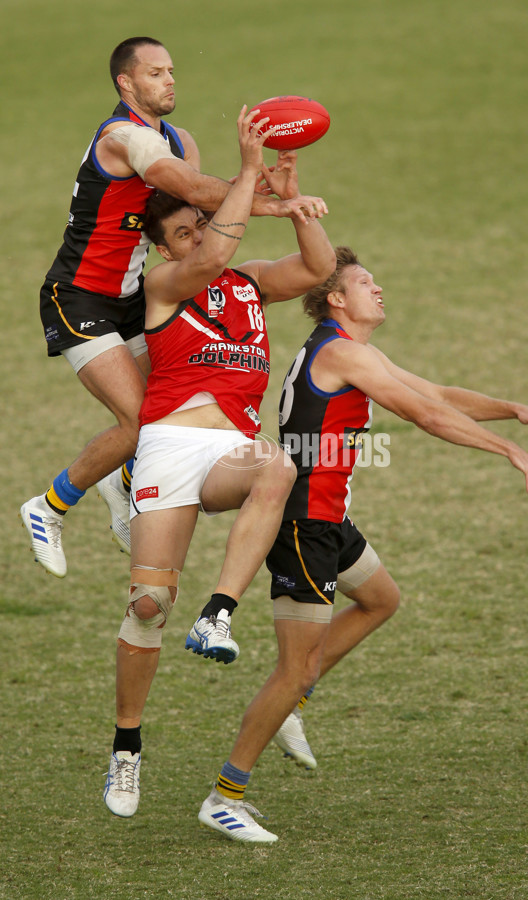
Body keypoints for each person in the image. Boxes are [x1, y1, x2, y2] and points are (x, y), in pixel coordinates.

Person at [195, 245, 528, 844]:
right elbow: (423, 415)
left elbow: (439, 393)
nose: (379, 289)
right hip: (303, 528)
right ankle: (226, 793)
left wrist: (514, 411)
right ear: (336, 298)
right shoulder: (342, 352)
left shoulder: (352, 351)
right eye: (366, 282)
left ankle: (295, 703)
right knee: (292, 667)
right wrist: (508, 452)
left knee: (380, 599)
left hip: (329, 519)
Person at [102, 108, 336, 820]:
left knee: (279, 465)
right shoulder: (164, 288)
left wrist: (295, 207)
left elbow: (320, 269)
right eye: (182, 231)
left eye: (201, 225)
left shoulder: (249, 283)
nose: (200, 236)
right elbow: (208, 256)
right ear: (162, 249)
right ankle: (126, 748)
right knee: (146, 607)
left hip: (228, 451)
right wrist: (242, 168)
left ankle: (219, 614)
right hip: (170, 444)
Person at [20, 36, 314, 578]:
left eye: (172, 70)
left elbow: (199, 202)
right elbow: (177, 181)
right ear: (126, 84)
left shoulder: (180, 138)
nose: (170, 80)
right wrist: (253, 188)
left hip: (134, 297)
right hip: (79, 297)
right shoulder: (124, 137)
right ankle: (48, 505)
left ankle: (123, 482)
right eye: (155, 73)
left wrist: (266, 193)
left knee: (166, 406)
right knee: (139, 420)